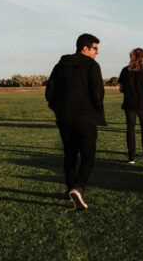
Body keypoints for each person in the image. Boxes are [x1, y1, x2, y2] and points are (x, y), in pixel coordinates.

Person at [45, 33, 106, 210]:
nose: (97, 52)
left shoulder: (60, 66)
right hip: (85, 118)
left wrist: (58, 109)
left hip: (64, 118)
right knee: (88, 155)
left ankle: (70, 190)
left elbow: (50, 92)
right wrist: (96, 110)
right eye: (95, 48)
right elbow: (97, 93)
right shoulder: (92, 66)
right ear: (85, 48)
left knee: (70, 154)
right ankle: (78, 188)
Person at [118, 48, 143, 164]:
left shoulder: (125, 70)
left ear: (131, 57)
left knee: (130, 129)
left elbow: (120, 89)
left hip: (129, 104)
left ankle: (131, 157)